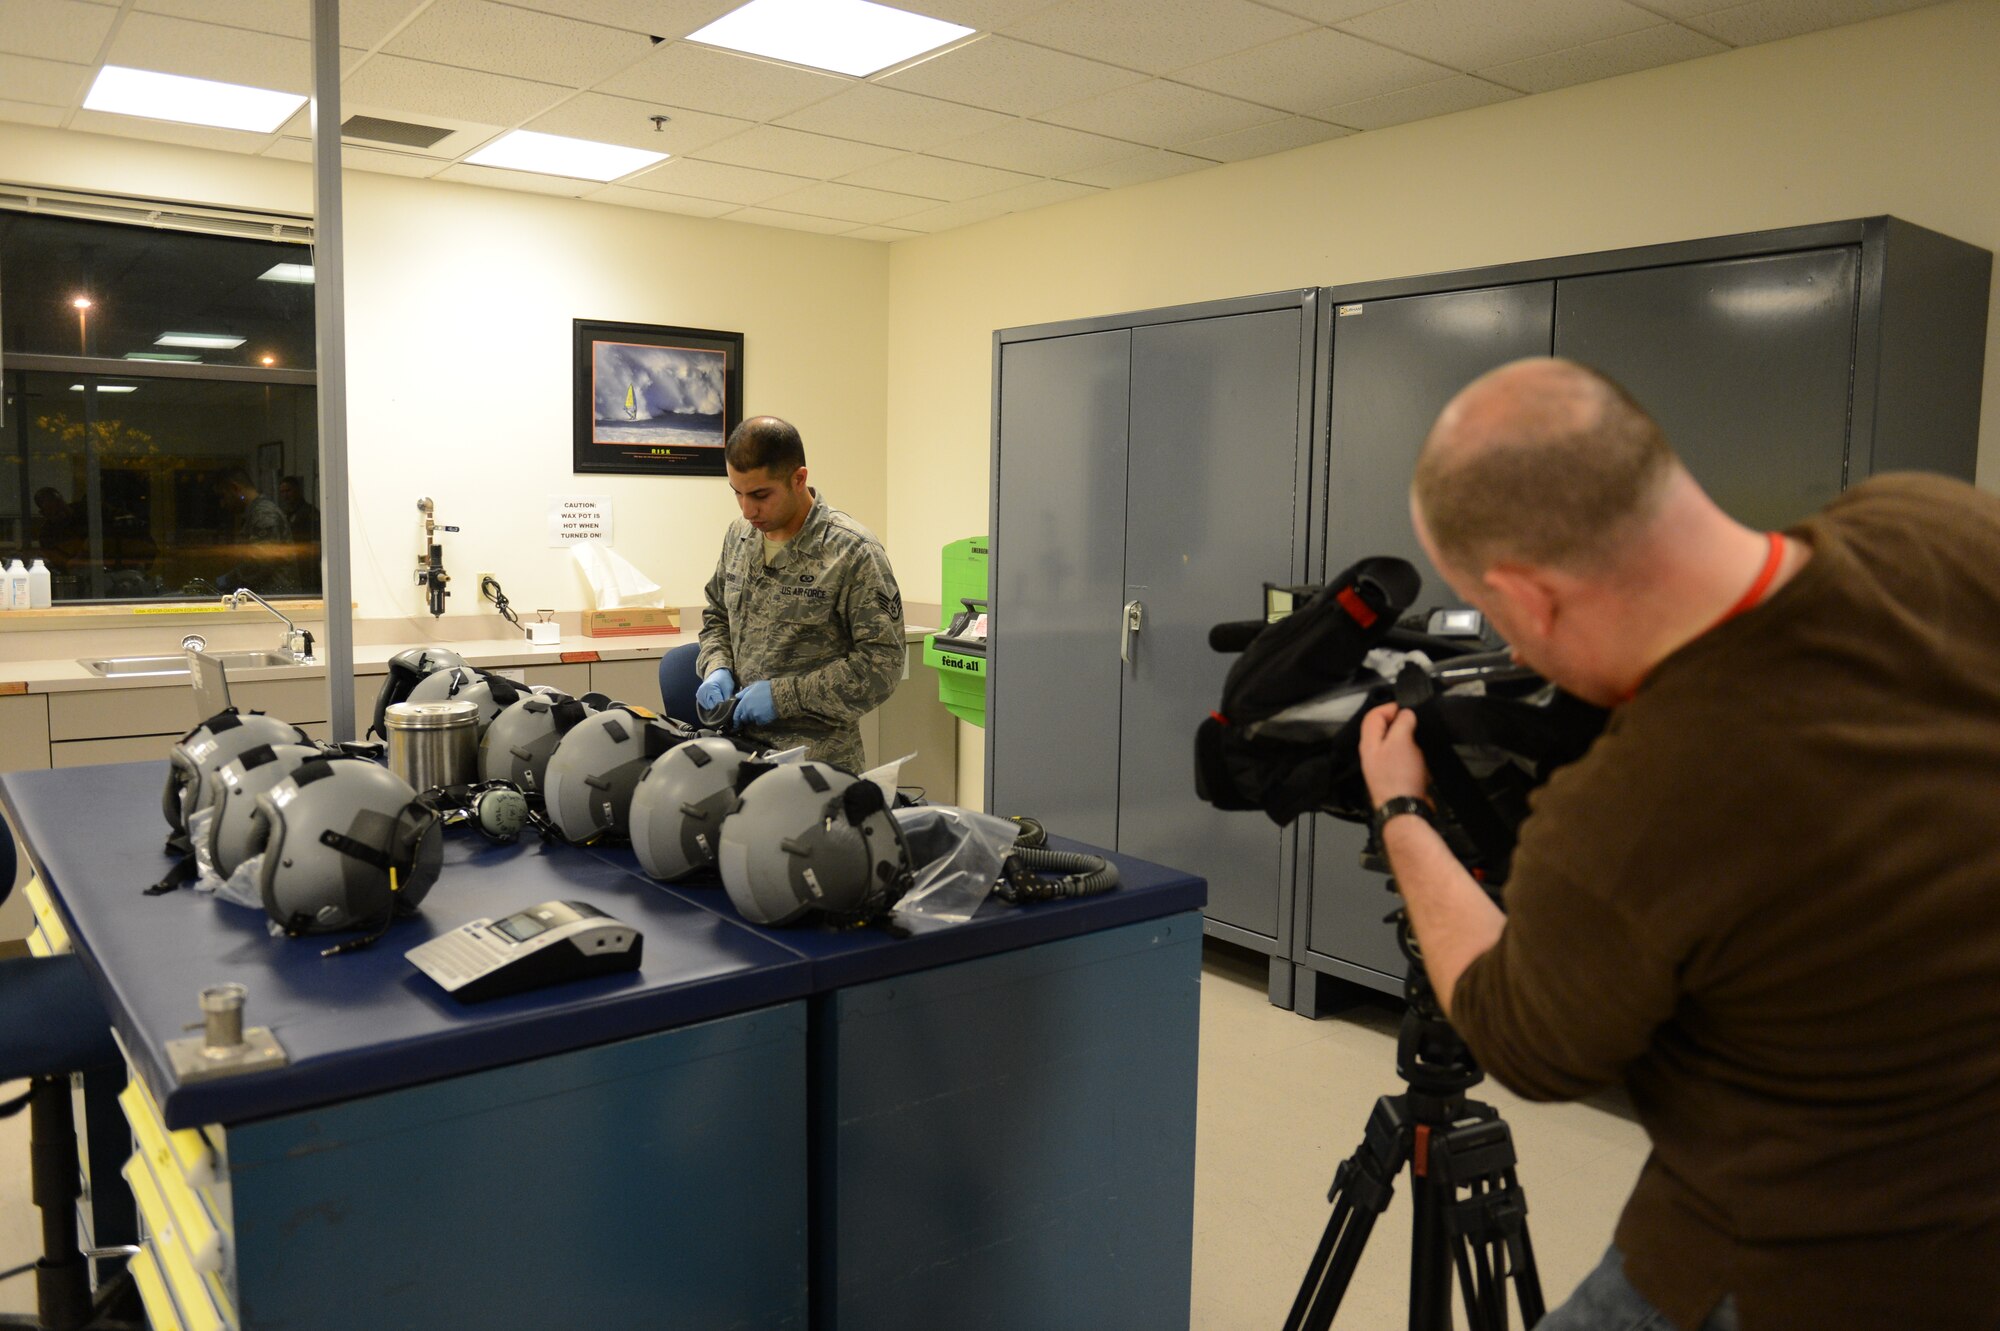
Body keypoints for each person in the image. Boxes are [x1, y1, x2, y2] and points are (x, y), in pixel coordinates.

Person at [1355, 357, 2000, 1331]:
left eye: (1493, 614)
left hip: (1797, 1269)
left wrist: (1401, 812)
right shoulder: (1935, 525)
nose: (1512, 647)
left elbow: (1523, 1034)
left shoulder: (1627, 808)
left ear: (1526, 595)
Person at [697, 416, 904, 770]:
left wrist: (784, 698)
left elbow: (881, 667)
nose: (748, 510)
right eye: (738, 493)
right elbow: (716, 616)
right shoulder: (739, 537)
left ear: (799, 478)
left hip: (817, 765)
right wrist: (716, 666)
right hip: (738, 751)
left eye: (761, 495)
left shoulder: (851, 551)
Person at [213, 468, 297, 593]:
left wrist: (228, 580)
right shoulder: (255, 513)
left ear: (235, 488)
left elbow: (260, 561)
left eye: (223, 496)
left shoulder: (264, 513)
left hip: (274, 598)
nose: (223, 504)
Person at [277, 475, 321, 544]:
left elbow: (317, 539)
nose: (285, 495)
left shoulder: (309, 512)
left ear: (297, 490)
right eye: (282, 492)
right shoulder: (284, 513)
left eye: (288, 491)